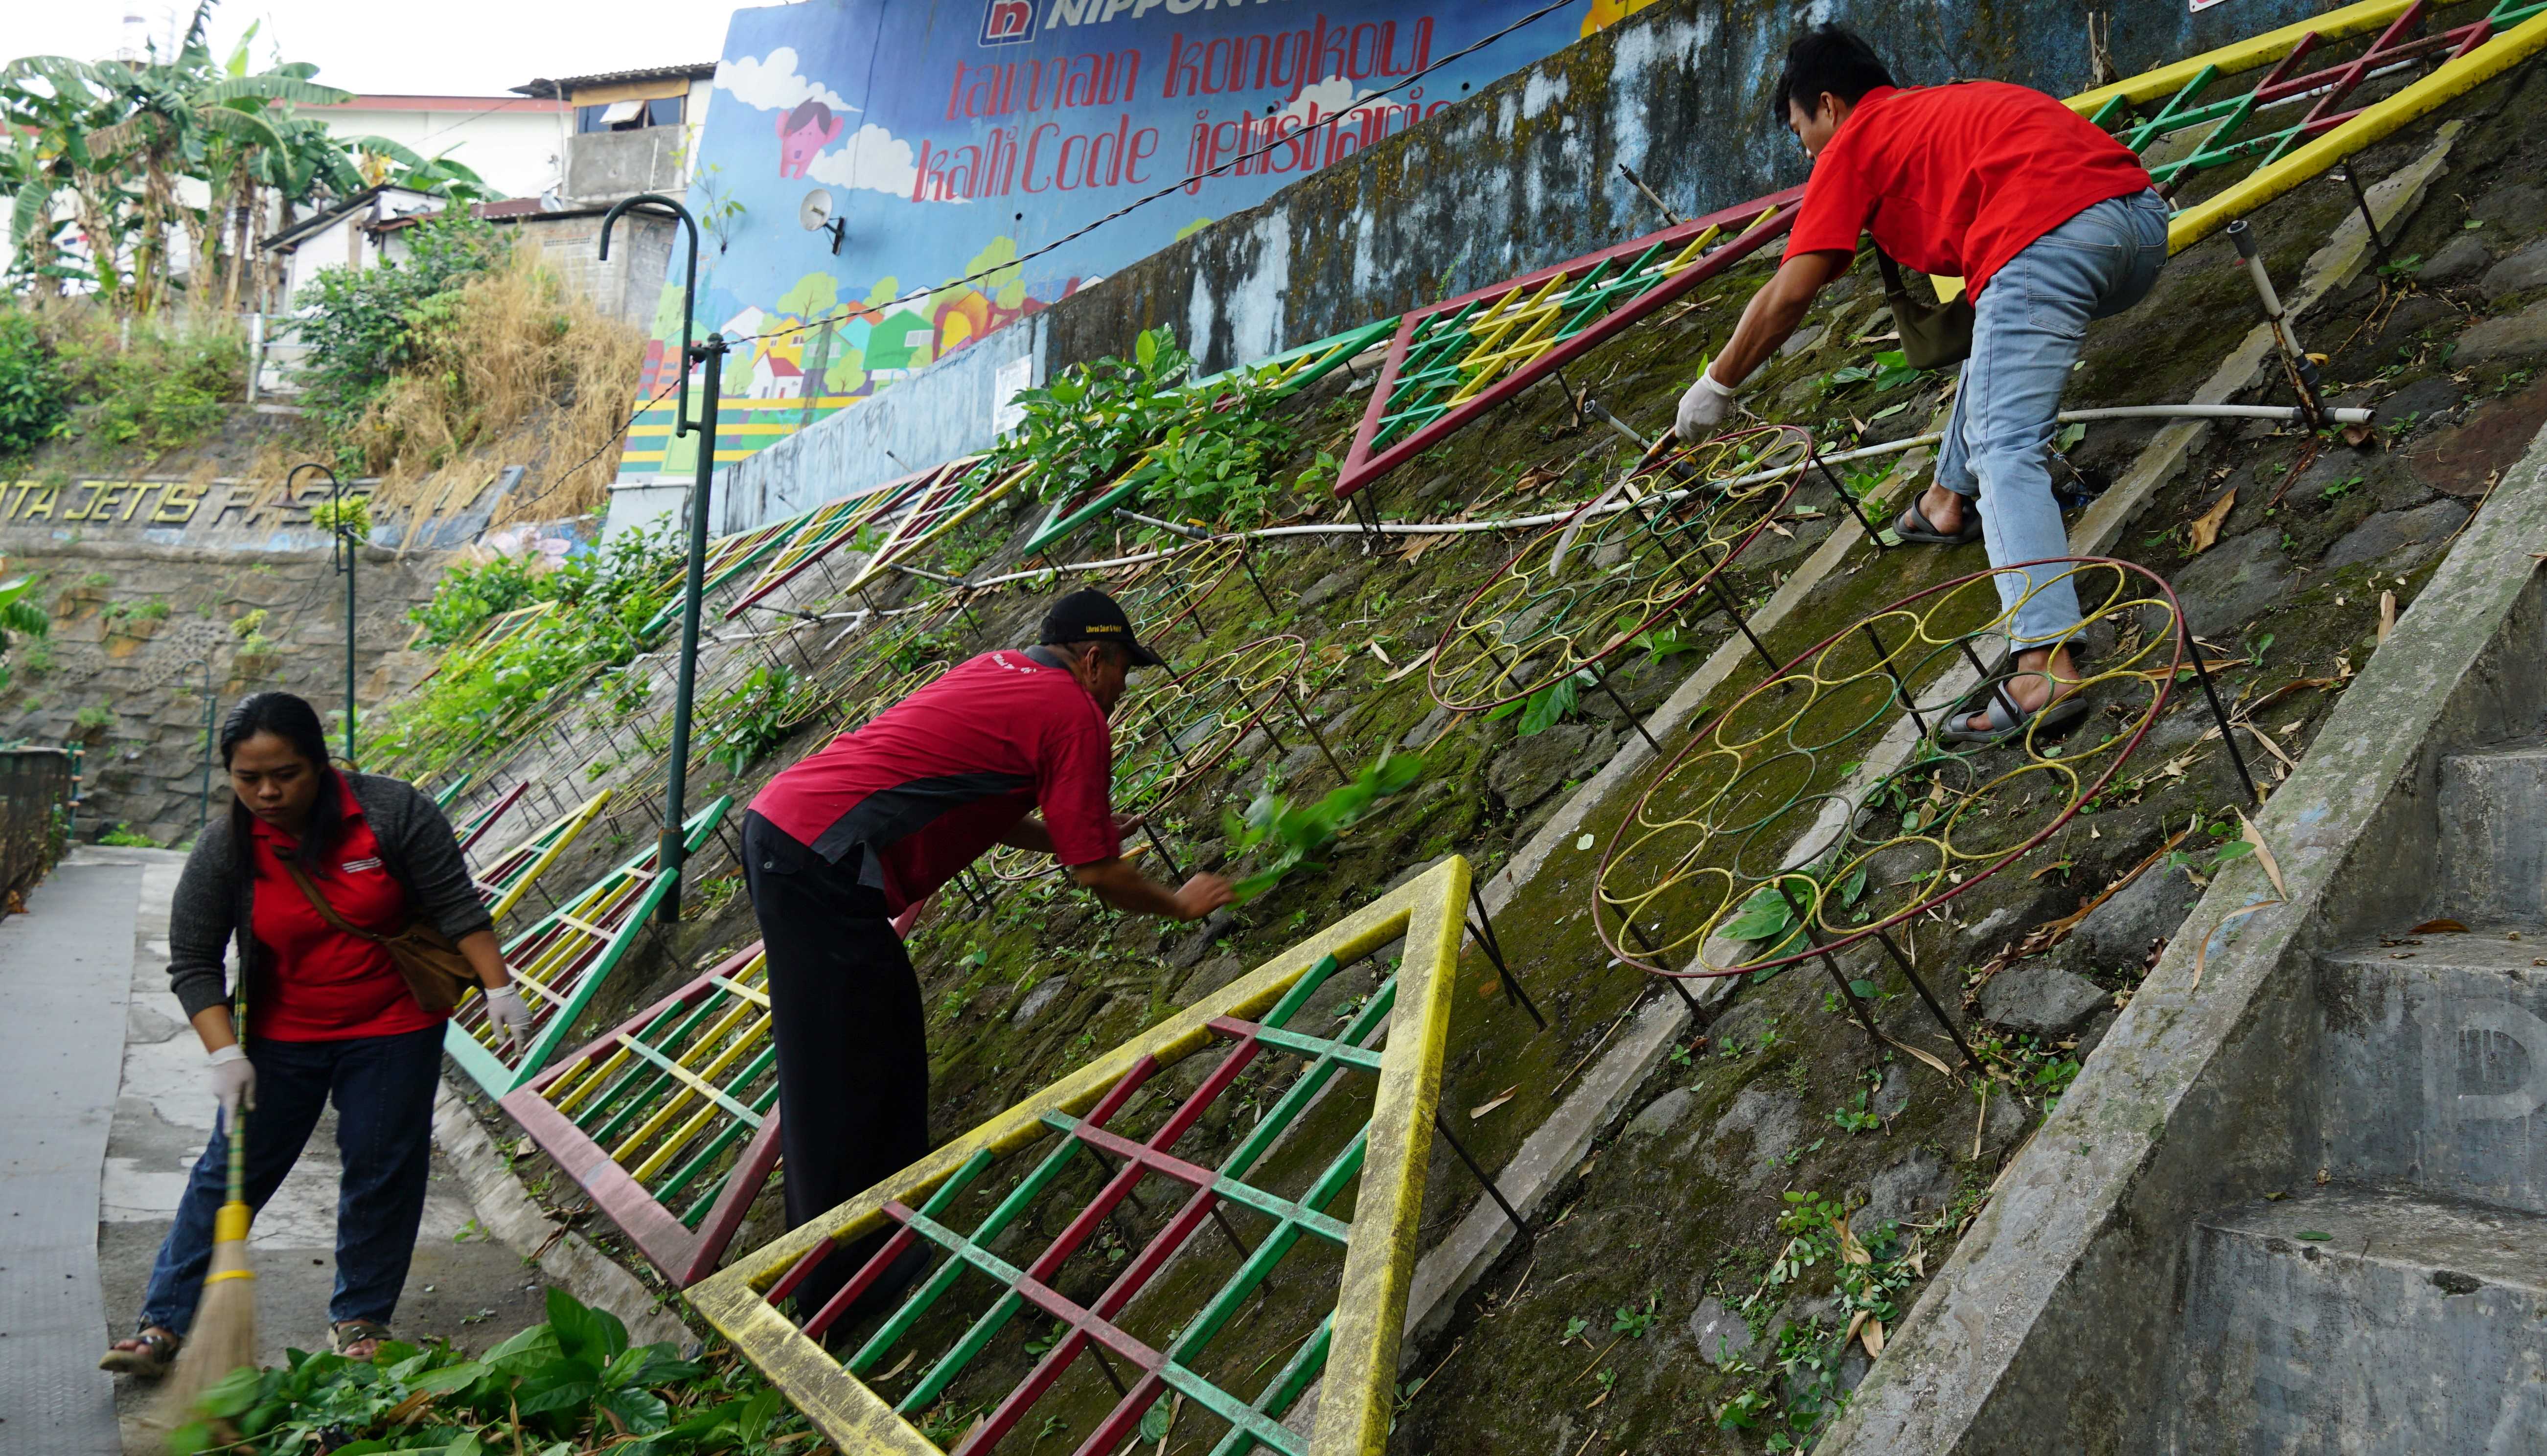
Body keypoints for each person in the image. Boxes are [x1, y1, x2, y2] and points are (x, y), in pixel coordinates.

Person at [743, 588, 1234, 1318]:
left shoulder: (998, 669)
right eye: (1124, 671)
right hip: (818, 857)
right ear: (1093, 658)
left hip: (790, 833)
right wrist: (1179, 903)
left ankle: (869, 1250)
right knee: (850, 1064)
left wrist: (1072, 830)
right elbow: (1096, 875)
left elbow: (978, 805)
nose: (1123, 691)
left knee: (869, 1044)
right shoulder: (1071, 713)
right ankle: (838, 1285)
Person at [1676, 24, 2167, 741]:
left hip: (2045, 239)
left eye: (1798, 130)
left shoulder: (1853, 143)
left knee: (2005, 446)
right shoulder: (1949, 106)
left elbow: (1789, 294)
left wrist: (1716, 384)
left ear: (1828, 105)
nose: (1806, 149)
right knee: (1995, 352)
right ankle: (1944, 500)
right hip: (2140, 227)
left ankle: (2044, 664)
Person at [102, 691, 533, 1375]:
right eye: (249, 779)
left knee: (381, 1167)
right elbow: (192, 960)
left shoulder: (391, 813)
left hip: (393, 1025)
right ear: (230, 775)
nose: (268, 792)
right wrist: (225, 1051)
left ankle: (361, 1319)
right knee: (229, 1176)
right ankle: (162, 1325)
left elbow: (457, 905)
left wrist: (499, 986)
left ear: (321, 764)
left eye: (287, 774)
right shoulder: (228, 846)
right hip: (281, 1033)